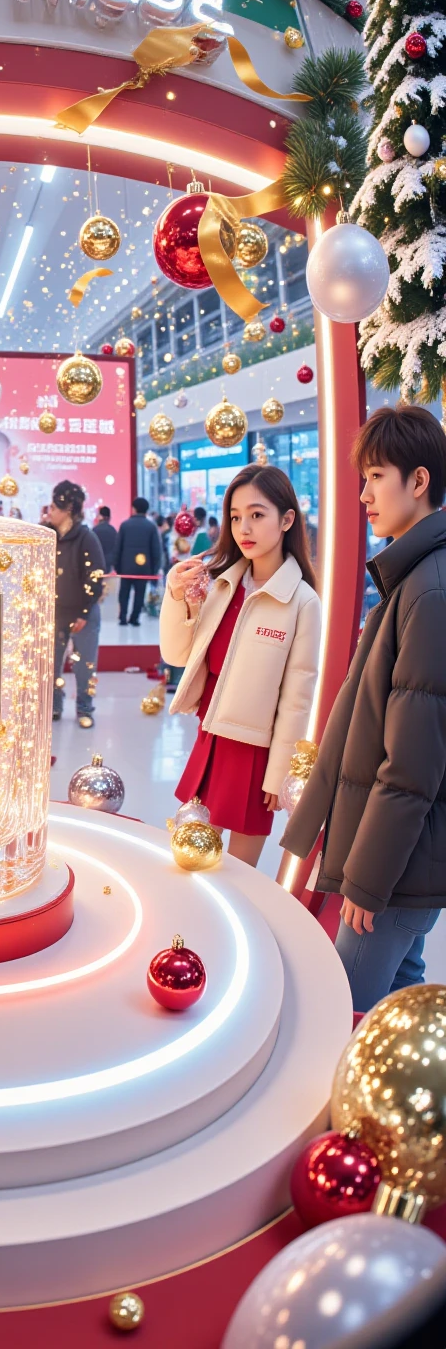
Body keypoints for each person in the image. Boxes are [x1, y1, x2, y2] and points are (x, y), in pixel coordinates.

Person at [281, 405, 446, 1011]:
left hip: (399, 870)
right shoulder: (415, 576)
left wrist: (370, 882)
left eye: (376, 476)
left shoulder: (428, 589)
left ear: (419, 481)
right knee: (398, 1011)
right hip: (407, 861)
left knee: (340, 1013)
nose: (363, 494)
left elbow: (411, 764)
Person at [161, 463, 320, 868]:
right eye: (235, 517)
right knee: (194, 861)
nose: (243, 528)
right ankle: (195, 932)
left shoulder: (301, 601)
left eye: (257, 515)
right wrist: (177, 596)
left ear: (286, 520)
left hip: (256, 753)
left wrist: (279, 770)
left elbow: (298, 694)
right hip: (210, 736)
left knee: (240, 875)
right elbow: (178, 657)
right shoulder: (219, 584)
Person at [45, 480, 105, 728]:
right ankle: (55, 707)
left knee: (84, 666)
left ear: (68, 509)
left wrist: (83, 612)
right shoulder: (46, 536)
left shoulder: (86, 538)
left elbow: (95, 577)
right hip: (55, 614)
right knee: (52, 665)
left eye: (54, 507)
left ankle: (84, 708)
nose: (49, 511)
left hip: (84, 615)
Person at [115, 496, 162, 626]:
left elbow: (118, 548)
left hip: (126, 568)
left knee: (124, 593)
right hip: (143, 568)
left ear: (134, 509)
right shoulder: (151, 527)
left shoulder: (125, 525)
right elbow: (156, 550)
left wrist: (117, 566)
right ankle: (135, 618)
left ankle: (122, 617)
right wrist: (154, 570)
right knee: (139, 594)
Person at [93, 504, 119, 572]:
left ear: (100, 516)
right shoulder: (113, 530)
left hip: (96, 563)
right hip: (109, 564)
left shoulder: (94, 530)